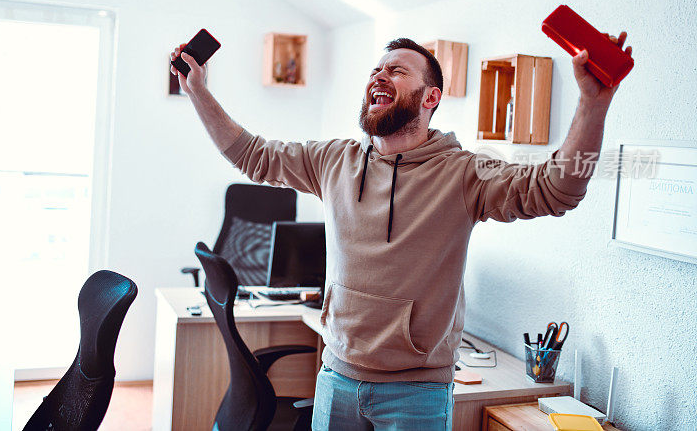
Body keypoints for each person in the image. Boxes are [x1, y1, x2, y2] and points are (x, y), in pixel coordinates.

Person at [169, 32, 631, 430]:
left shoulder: (464, 174)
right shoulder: (334, 160)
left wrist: (592, 105)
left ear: (430, 98)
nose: (379, 75)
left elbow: (556, 190)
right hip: (335, 376)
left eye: (397, 70)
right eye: (376, 69)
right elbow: (251, 154)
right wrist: (197, 92)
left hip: (417, 394)